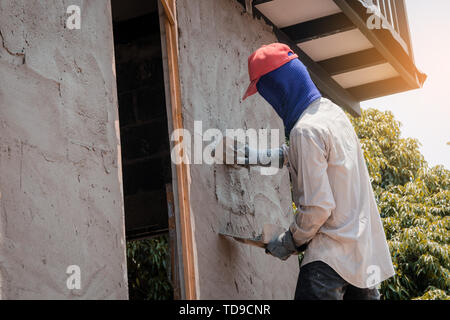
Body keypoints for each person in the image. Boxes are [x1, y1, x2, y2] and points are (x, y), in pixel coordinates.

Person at [240, 43, 395, 300]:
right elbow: (320, 158)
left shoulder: (304, 131)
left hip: (328, 264)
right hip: (363, 263)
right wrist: (263, 157)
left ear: (279, 89)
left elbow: (318, 207)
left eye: (266, 94)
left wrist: (290, 241)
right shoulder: (332, 114)